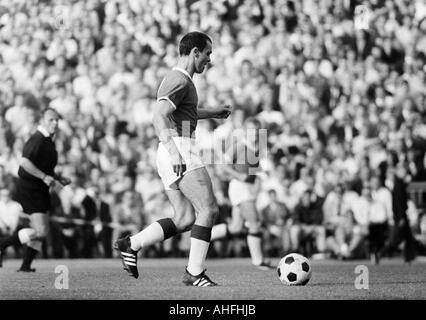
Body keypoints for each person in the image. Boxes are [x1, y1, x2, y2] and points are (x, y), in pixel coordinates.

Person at [114, 31, 231, 286]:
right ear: (195, 52)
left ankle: (131, 244)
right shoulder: (179, 79)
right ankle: (195, 273)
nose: (209, 59)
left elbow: (182, 112)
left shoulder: (182, 80)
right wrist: (174, 150)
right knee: (208, 209)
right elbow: (158, 116)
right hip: (178, 147)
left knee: (185, 218)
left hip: (170, 150)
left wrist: (213, 112)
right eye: (207, 53)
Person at [0, 108, 71, 271]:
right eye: (51, 120)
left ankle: (25, 266)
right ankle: (2, 245)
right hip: (30, 190)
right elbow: (25, 163)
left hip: (39, 189)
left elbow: (43, 166)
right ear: (42, 121)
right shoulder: (37, 139)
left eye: (57, 120)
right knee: (41, 230)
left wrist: (57, 178)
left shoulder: (48, 140)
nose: (55, 123)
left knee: (42, 231)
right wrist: (45, 177)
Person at [210, 117, 274, 270]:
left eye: (257, 130)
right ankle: (258, 261)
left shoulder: (259, 148)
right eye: (251, 130)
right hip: (239, 186)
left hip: (249, 188)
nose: (255, 133)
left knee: (236, 227)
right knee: (254, 221)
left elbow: (254, 169)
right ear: (246, 130)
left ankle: (202, 235)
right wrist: (239, 176)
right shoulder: (239, 146)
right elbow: (222, 165)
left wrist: (258, 177)